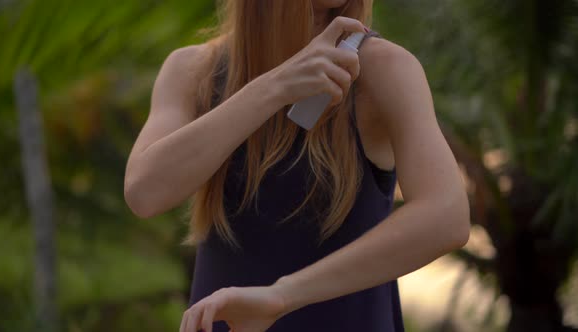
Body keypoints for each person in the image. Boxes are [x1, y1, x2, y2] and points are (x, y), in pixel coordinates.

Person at [124, 1, 471, 331]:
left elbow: (446, 217)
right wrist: (276, 86)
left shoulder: (383, 68)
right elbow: (145, 193)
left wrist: (282, 295)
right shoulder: (192, 71)